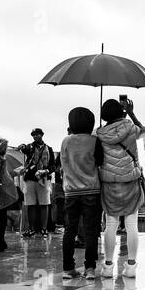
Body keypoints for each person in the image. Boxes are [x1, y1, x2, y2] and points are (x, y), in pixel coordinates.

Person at [97, 97, 145, 278]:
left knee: (111, 224)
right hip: (131, 181)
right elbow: (144, 131)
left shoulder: (99, 134)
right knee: (131, 224)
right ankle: (131, 266)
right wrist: (131, 113)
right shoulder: (131, 128)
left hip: (109, 182)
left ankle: (109, 266)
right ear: (122, 112)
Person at [60, 107, 105, 279]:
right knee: (91, 230)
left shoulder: (65, 141)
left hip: (71, 192)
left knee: (69, 230)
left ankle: (67, 268)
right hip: (92, 190)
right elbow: (100, 162)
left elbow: (62, 163)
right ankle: (90, 268)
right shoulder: (95, 141)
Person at [21, 128, 54, 237]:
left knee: (44, 204)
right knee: (30, 204)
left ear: (42, 135)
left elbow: (53, 166)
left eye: (37, 134)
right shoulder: (30, 147)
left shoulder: (49, 149)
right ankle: (31, 229)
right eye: (33, 135)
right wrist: (22, 147)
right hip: (30, 178)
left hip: (43, 179)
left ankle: (44, 229)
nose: (35, 136)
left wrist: (46, 170)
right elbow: (25, 148)